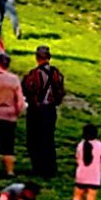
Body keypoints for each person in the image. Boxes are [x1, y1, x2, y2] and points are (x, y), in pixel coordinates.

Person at [20, 46, 64, 183]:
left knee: (34, 139)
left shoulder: (33, 74)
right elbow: (61, 91)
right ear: (49, 58)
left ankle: (38, 167)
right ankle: (50, 167)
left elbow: (26, 89)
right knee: (48, 138)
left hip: (36, 109)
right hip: (50, 109)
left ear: (37, 58)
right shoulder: (56, 74)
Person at [69, 122, 101, 200]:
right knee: (91, 199)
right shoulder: (100, 146)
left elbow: (77, 159)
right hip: (94, 176)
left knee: (77, 197)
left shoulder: (80, 145)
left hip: (81, 175)